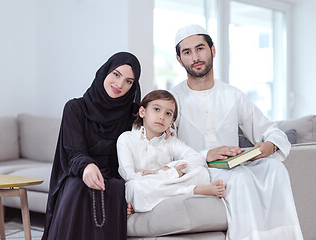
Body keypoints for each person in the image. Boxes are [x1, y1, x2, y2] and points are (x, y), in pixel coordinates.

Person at [171, 24, 303, 240]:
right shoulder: (171, 98)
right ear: (179, 60)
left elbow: (270, 130)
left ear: (213, 50)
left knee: (274, 169)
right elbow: (166, 150)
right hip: (197, 170)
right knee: (240, 178)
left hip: (233, 166)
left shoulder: (233, 95)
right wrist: (205, 155)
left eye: (200, 48)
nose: (195, 56)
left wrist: (268, 146)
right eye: (187, 52)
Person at [42, 52, 141, 240]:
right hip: (80, 172)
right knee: (78, 188)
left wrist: (164, 132)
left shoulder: (135, 115)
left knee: (116, 188)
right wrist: (87, 166)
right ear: (105, 72)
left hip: (116, 178)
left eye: (129, 81)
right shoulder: (75, 108)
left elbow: (147, 142)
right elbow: (73, 150)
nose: (119, 85)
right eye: (116, 74)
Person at [116, 90, 225, 213]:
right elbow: (129, 175)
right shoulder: (126, 139)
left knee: (201, 172)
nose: (162, 116)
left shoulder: (170, 141)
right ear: (142, 112)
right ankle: (194, 191)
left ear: (171, 122)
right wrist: (171, 174)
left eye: (168, 113)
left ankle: (155, 200)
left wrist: (166, 169)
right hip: (145, 186)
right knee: (134, 187)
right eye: (156, 109)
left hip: (165, 185)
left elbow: (197, 159)